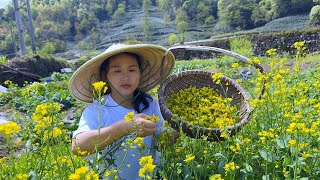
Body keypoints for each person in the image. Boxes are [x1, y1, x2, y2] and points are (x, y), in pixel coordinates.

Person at [68, 43, 178, 179]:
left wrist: (178, 128)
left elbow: (160, 143)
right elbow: (77, 146)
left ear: (140, 73)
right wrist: (123, 128)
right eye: (117, 71)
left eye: (132, 70)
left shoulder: (149, 104)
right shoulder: (98, 109)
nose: (126, 77)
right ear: (105, 75)